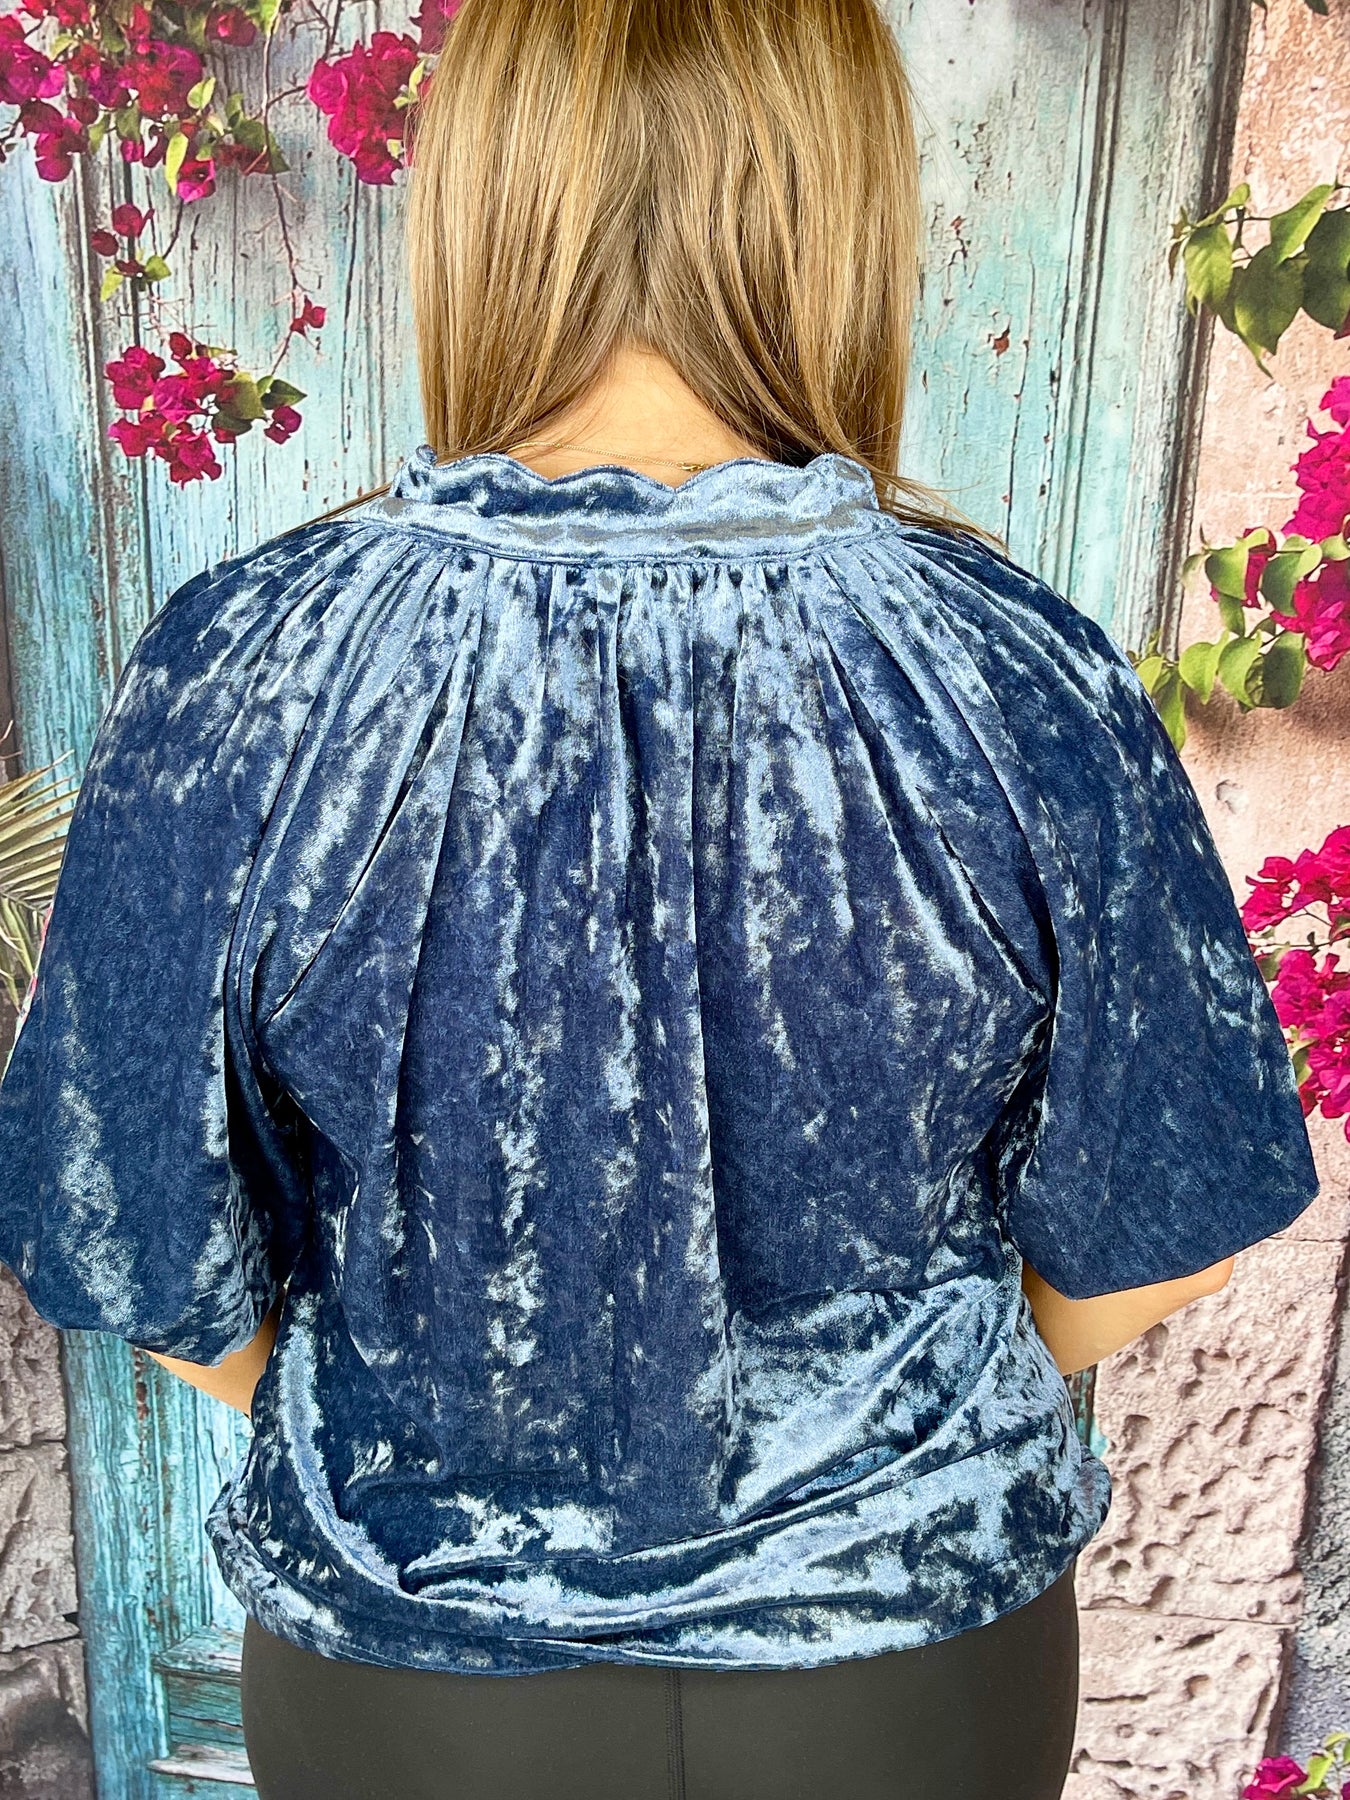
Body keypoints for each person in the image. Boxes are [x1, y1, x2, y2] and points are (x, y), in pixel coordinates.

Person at [0, 0, 1320, 1795]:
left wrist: (408, 1438)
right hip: (907, 1679)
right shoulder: (1016, 670)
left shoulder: (246, 668)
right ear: (838, 213)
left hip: (415, 1679)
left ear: (481, 210)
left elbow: (132, 1240)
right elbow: (1168, 1219)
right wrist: (868, 1432)